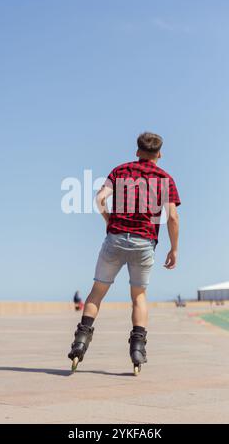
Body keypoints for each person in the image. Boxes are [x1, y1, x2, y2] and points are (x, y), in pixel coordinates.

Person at [68, 132, 181, 374]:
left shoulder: (119, 171)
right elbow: (172, 217)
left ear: (137, 151)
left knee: (96, 293)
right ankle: (138, 349)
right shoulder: (165, 179)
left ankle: (80, 343)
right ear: (159, 154)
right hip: (144, 244)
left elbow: (99, 198)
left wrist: (109, 220)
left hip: (115, 240)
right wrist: (174, 248)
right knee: (139, 296)